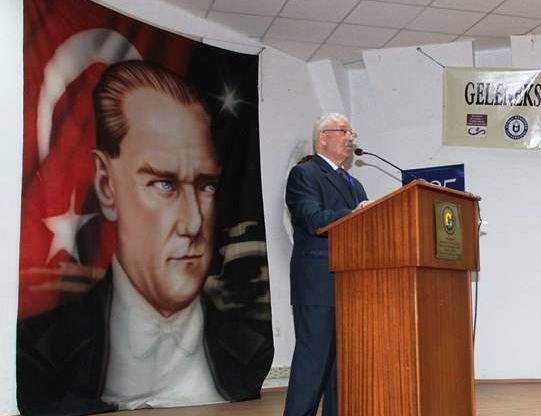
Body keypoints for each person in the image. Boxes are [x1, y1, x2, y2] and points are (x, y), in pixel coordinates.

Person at [17, 61, 271, 415]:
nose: (193, 223)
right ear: (106, 183)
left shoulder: (250, 346)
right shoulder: (44, 350)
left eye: (207, 186)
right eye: (164, 184)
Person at [284, 113, 369, 416]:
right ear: (322, 137)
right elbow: (313, 219)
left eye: (351, 132)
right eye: (344, 131)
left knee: (341, 373)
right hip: (318, 283)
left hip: (350, 286)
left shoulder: (355, 185)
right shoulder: (304, 174)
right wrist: (354, 215)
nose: (350, 138)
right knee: (313, 364)